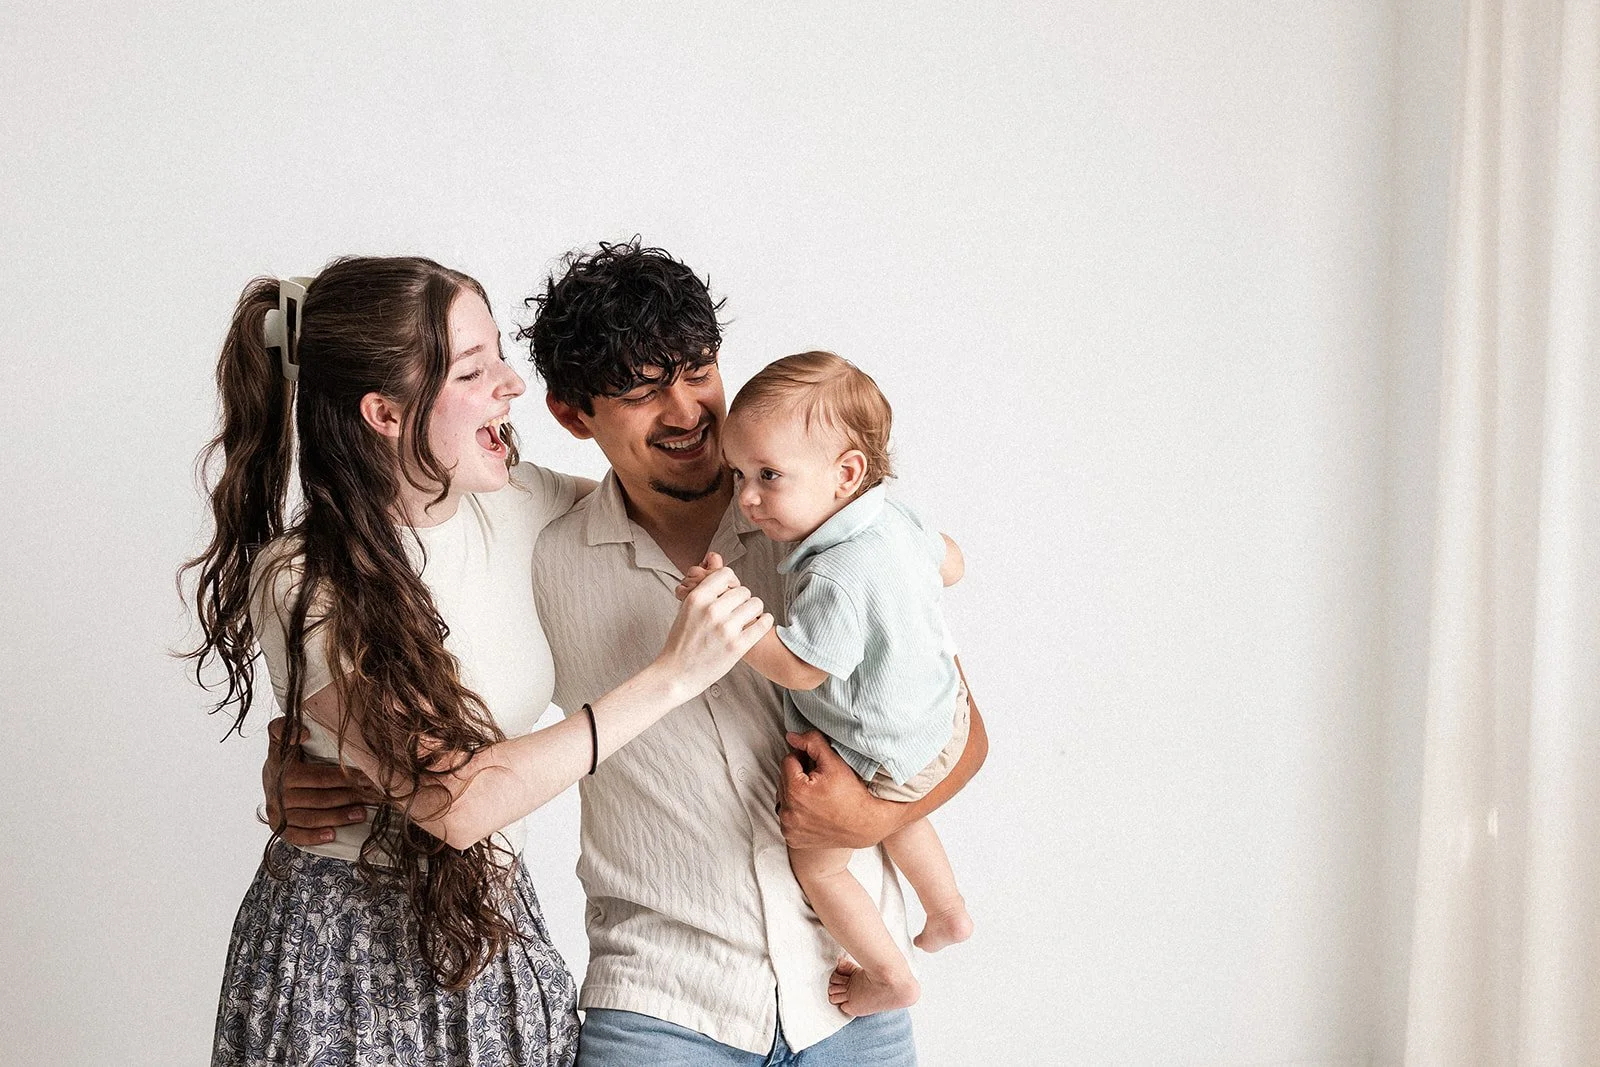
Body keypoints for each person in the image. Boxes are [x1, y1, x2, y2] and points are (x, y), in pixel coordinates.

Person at [272, 241, 989, 1065]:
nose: (686, 412)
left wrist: (872, 818)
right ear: (576, 416)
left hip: (849, 988)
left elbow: (955, 726)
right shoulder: (542, 543)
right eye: (644, 394)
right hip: (659, 1006)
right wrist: (312, 748)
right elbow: (415, 603)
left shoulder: (822, 534)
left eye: (698, 373)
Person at [184, 255, 771, 1067]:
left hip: (490, 930)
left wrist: (882, 538)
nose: (511, 384)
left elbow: (675, 494)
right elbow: (453, 802)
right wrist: (674, 674)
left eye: (499, 354)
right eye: (474, 368)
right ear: (385, 412)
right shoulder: (302, 578)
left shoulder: (520, 502)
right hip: (341, 959)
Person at [680, 350, 974, 1018]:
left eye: (768, 476)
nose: (747, 497)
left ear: (846, 473)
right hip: (938, 716)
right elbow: (952, 564)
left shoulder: (833, 573)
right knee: (907, 809)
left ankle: (889, 972)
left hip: (876, 741)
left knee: (819, 863)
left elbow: (802, 666)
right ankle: (949, 910)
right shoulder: (896, 518)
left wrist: (731, 613)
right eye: (739, 474)